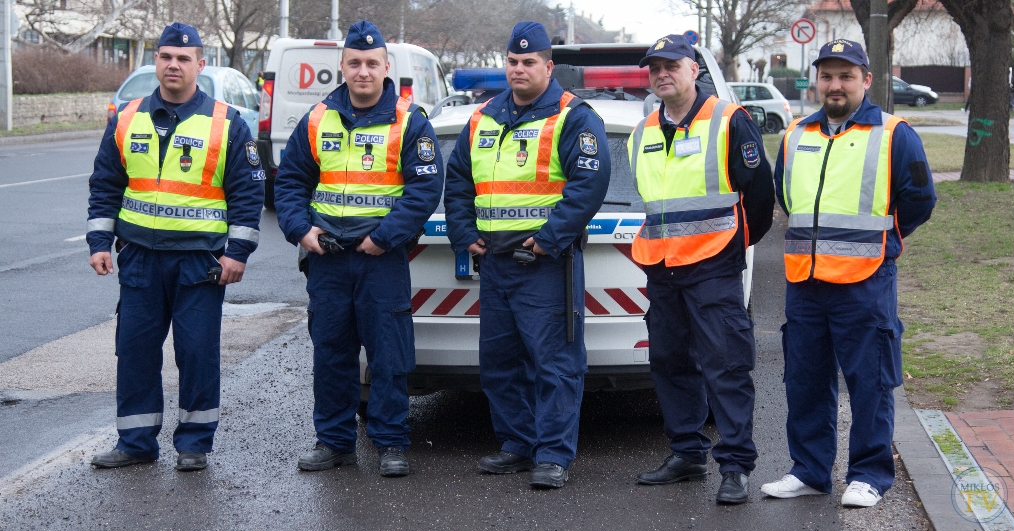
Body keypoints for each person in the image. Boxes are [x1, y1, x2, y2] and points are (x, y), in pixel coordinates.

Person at [761, 39, 936, 507]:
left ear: (866, 80)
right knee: (804, 381)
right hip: (805, 282)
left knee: (870, 380)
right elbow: (786, 197)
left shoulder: (895, 133)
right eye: (827, 76)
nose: (835, 85)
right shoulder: (796, 133)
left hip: (865, 281)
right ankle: (810, 471)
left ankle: (869, 475)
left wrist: (884, 243)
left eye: (846, 76)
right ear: (816, 79)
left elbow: (919, 199)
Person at [86, 22, 264, 472]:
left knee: (197, 352)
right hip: (140, 257)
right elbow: (106, 183)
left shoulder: (227, 123)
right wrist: (99, 241)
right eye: (165, 56)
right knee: (135, 351)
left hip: (199, 262)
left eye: (183, 58)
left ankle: (194, 444)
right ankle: (137, 443)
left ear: (200, 65)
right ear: (156, 62)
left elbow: (248, 195)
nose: (173, 64)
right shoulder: (127, 118)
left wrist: (237, 253)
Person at [444, 21, 610, 489]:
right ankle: (517, 444)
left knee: (555, 363)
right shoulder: (482, 118)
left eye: (529, 62)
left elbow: (589, 185)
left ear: (547, 65)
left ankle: (553, 455)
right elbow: (457, 181)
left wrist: (549, 237)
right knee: (499, 362)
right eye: (513, 62)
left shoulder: (572, 115)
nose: (519, 69)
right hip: (494, 262)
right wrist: (462, 231)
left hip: (543, 263)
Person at [274, 20, 442, 478]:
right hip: (326, 258)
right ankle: (334, 442)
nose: (363, 71)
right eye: (354, 63)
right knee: (331, 352)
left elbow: (424, 190)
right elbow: (289, 182)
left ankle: (390, 443)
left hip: (379, 259)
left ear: (386, 67)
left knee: (388, 355)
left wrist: (383, 237)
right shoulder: (316, 118)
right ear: (342, 67)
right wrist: (300, 230)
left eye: (371, 63)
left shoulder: (411, 122)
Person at [627, 35, 775, 505]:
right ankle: (687, 454)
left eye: (672, 65)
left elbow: (761, 197)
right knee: (669, 363)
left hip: (714, 266)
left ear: (695, 70)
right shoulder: (643, 131)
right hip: (663, 269)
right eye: (655, 67)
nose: (662, 73)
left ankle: (734, 465)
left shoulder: (730, 122)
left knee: (726, 364)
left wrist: (733, 246)